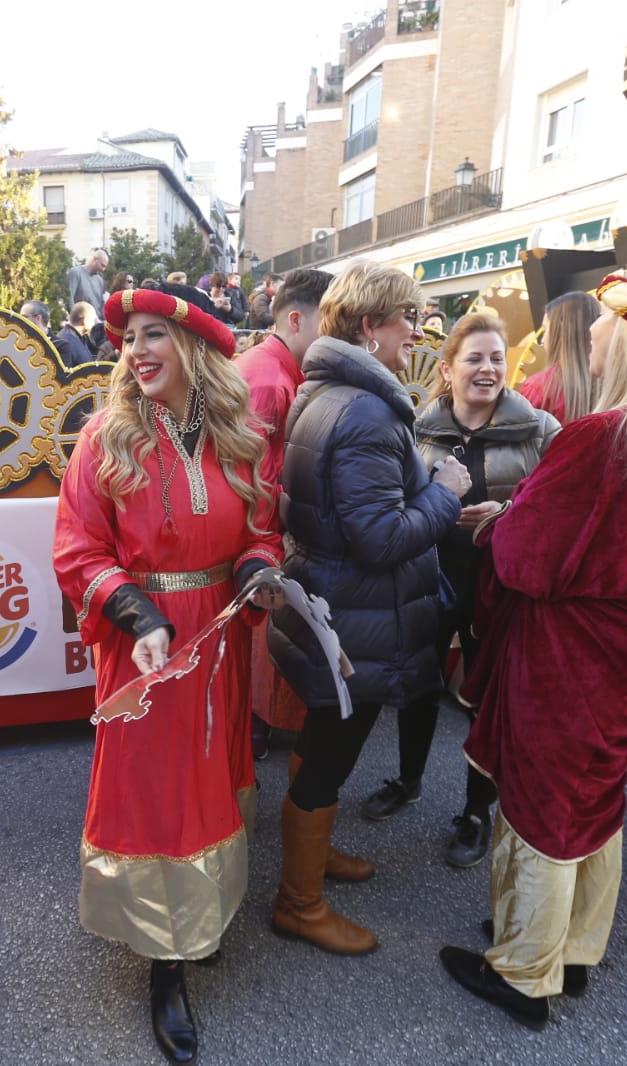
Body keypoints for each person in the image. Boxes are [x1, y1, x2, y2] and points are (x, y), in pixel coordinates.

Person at [440, 263, 627, 1030]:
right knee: (594, 799)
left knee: (540, 807)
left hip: (566, 654)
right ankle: (570, 948)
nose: (594, 329)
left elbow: (522, 562)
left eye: (609, 317)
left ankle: (523, 971)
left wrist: (505, 518)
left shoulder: (601, 435)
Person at [53, 282, 282, 1064]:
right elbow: (76, 552)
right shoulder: (103, 440)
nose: (136, 351)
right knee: (154, 797)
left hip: (220, 642)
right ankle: (162, 961)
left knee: (213, 777)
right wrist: (137, 617)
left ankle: (203, 915)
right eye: (127, 339)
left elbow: (263, 530)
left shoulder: (240, 436)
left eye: (153, 334)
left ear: (195, 348)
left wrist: (257, 572)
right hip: (144, 650)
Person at [269, 262, 468, 958]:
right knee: (330, 758)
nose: (416, 332)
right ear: (368, 326)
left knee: (321, 746)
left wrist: (430, 494)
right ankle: (297, 903)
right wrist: (444, 490)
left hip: (335, 608)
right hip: (353, 620)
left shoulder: (328, 391)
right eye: (406, 318)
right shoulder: (365, 409)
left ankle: (311, 859)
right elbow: (380, 538)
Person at [359, 312, 559, 870]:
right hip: (427, 577)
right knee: (418, 687)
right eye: (474, 358)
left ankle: (476, 812)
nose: (488, 369)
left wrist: (509, 513)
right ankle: (408, 779)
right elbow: (394, 498)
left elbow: (562, 509)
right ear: (447, 369)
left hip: (498, 585)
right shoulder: (417, 428)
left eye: (497, 358)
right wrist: (433, 509)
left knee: (484, 698)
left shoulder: (541, 429)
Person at [236, 268, 334, 756]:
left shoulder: (269, 367)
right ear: (295, 319)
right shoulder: (270, 382)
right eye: (329, 320)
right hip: (259, 542)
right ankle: (252, 727)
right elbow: (249, 483)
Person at [517, 291, 600, 425]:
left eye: (545, 330)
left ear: (560, 330)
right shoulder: (616, 380)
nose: (542, 340)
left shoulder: (538, 387)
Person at [53, 302, 99, 366]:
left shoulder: (80, 337)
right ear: (84, 320)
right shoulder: (65, 342)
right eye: (93, 319)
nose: (95, 323)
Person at [66, 248, 109, 313]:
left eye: (105, 267)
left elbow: (101, 304)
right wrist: (76, 318)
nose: (103, 269)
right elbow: (69, 299)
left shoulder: (100, 281)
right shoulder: (76, 273)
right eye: (102, 265)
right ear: (95, 259)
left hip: (97, 321)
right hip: (80, 320)